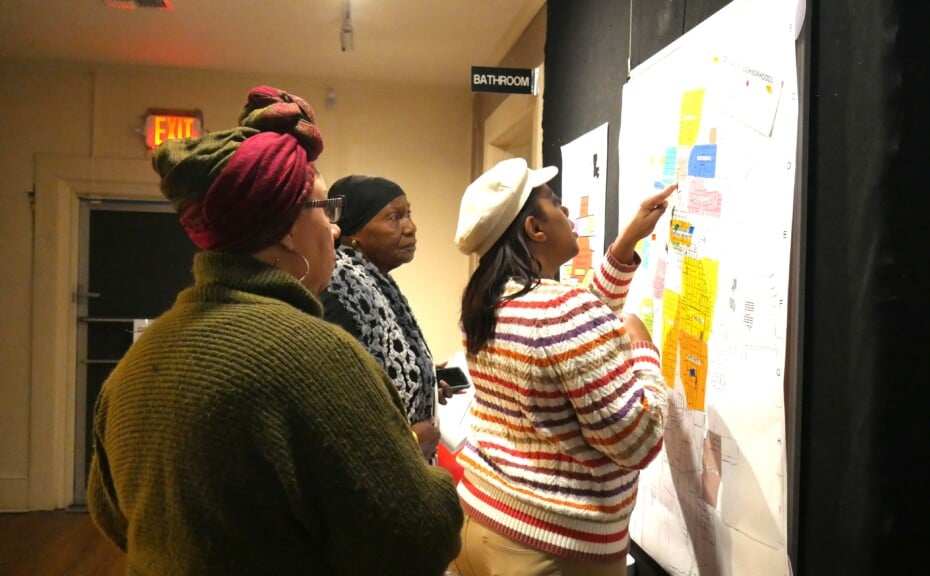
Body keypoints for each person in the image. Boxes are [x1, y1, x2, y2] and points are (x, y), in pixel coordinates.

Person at [87, 85, 462, 576]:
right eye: (325, 209)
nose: (333, 229)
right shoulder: (319, 356)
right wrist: (424, 468)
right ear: (286, 226)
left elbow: (111, 514)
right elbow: (419, 537)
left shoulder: (137, 361)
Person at [449, 158, 676, 576]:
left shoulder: (486, 304)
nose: (567, 212)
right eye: (555, 203)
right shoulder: (560, 312)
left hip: (480, 521)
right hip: (550, 550)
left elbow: (572, 348)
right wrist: (642, 348)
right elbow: (637, 441)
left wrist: (625, 245)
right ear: (535, 229)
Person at [320, 175, 453, 461]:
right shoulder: (341, 288)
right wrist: (411, 441)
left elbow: (382, 362)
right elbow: (340, 404)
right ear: (354, 231)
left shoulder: (371, 278)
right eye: (395, 217)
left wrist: (424, 377)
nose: (411, 228)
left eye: (409, 214)